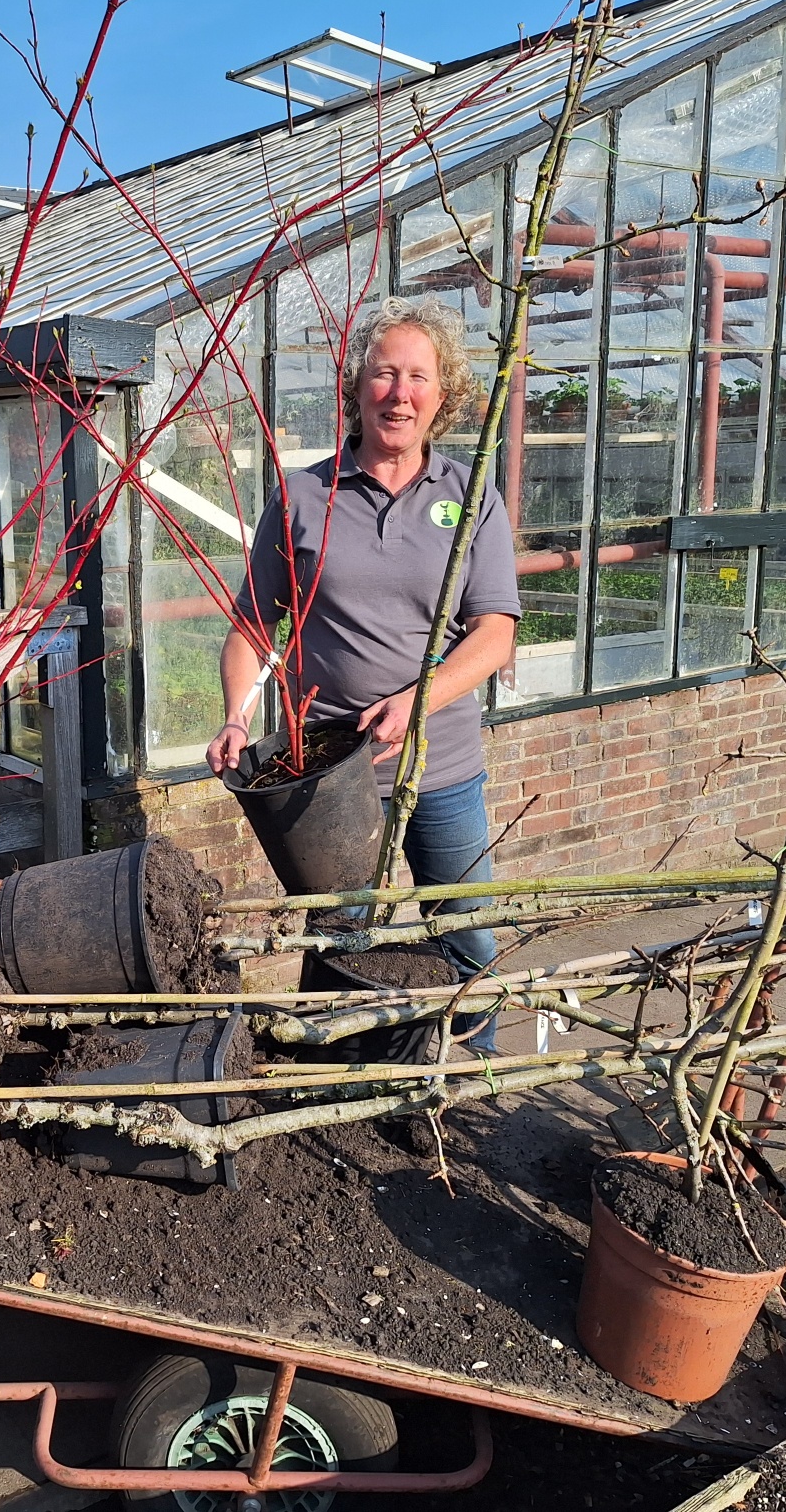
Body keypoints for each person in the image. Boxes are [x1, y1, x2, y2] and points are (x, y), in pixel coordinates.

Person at [207, 295, 522, 1039]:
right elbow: (254, 625)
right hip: (329, 779)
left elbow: (495, 634)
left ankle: (469, 1082)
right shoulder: (303, 497)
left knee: (466, 937)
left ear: (443, 395)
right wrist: (236, 714)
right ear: (357, 387)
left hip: (441, 765)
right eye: (385, 374)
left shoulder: (470, 498)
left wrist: (419, 700)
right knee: (340, 945)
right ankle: (337, 1084)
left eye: (418, 376)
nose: (400, 393)